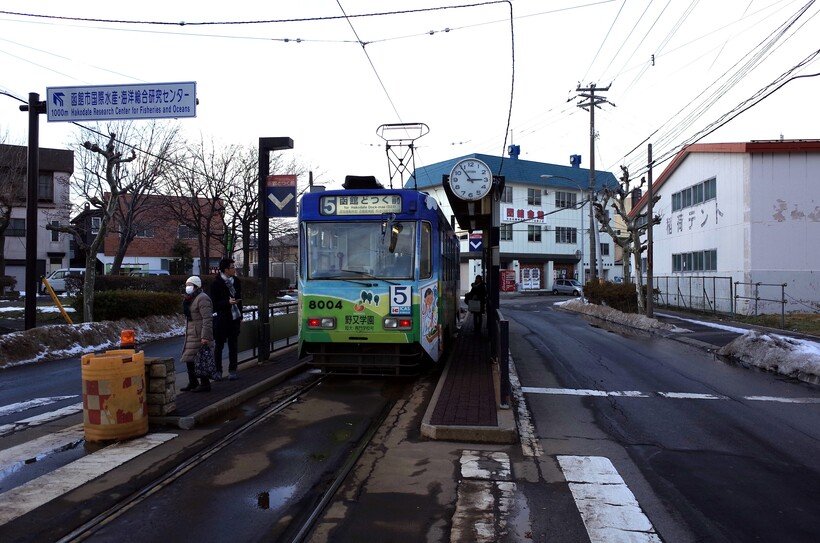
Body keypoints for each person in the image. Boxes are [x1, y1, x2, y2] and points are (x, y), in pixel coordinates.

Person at [211, 257, 243, 381]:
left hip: (234, 318)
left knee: (233, 345)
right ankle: (218, 371)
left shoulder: (236, 281)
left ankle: (233, 370)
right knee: (219, 346)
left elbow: (240, 299)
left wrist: (241, 315)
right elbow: (214, 304)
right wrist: (227, 302)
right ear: (225, 270)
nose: (234, 270)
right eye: (232, 268)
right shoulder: (216, 283)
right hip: (222, 319)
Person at [180, 276, 214, 392]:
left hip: (199, 333)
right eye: (186, 285)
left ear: (196, 285)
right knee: (189, 358)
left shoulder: (202, 298)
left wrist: (205, 336)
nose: (187, 287)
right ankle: (193, 382)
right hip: (191, 332)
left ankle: (205, 383)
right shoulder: (189, 298)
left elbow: (207, 318)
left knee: (200, 358)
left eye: (190, 285)